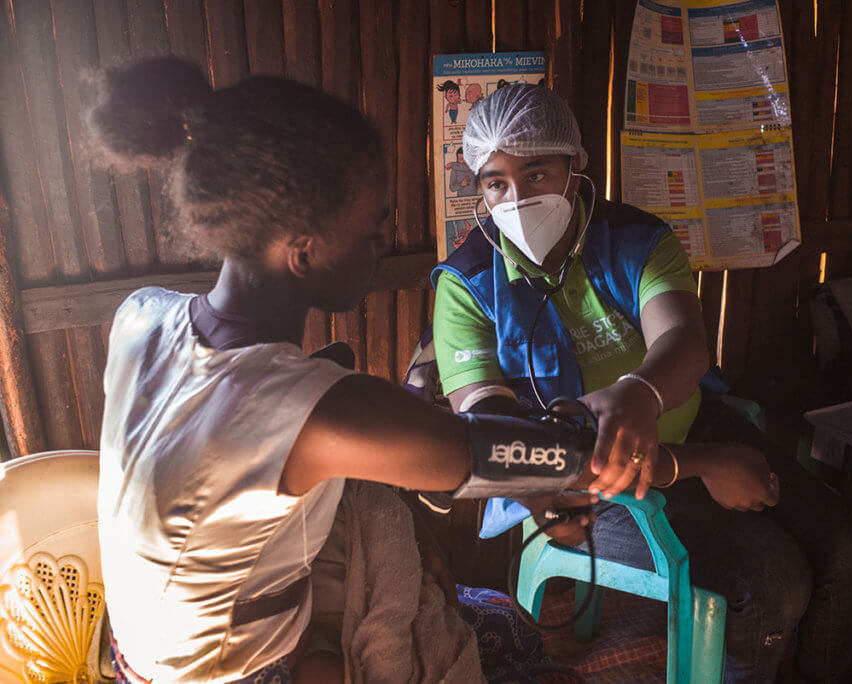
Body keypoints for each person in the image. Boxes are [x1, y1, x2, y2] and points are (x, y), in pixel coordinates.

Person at [89, 58, 653, 684]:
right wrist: (700, 459)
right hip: (234, 673)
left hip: (136, 654)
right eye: (371, 229)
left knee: (494, 624)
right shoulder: (311, 409)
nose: (382, 244)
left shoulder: (140, 315)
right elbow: (509, 454)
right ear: (304, 250)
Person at [431, 83, 852, 683]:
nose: (516, 199)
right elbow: (498, 437)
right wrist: (702, 463)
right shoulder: (464, 283)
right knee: (773, 585)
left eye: (536, 174)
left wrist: (640, 394)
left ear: (575, 166)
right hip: (575, 481)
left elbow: (684, 341)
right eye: (496, 183)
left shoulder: (638, 240)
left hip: (689, 425)